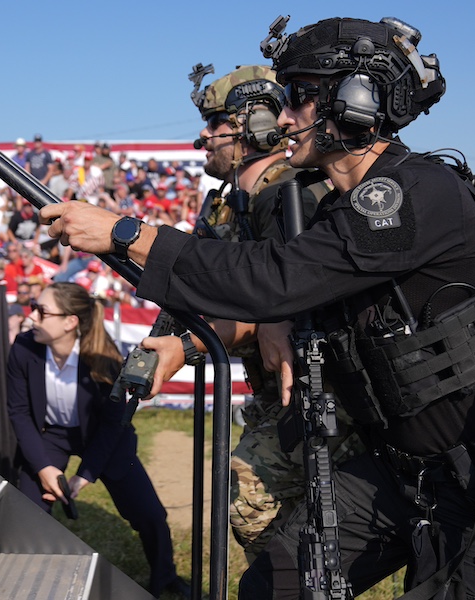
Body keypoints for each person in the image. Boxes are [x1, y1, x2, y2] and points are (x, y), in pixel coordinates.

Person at [44, 16, 475, 598]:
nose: (285, 117)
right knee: (274, 586)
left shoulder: (412, 195)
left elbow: (276, 279)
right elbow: (284, 288)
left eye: (300, 98)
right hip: (396, 472)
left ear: (358, 100)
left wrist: (127, 233)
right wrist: (211, 334)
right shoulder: (336, 211)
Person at [132, 64, 362, 563]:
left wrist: (183, 348)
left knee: (250, 498)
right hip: (276, 387)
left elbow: (280, 298)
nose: (204, 136)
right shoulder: (229, 201)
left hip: (326, 387)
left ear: (253, 126)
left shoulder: (289, 193)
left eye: (215, 125)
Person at [5, 282, 187, 597]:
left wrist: (85, 475)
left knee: (150, 514)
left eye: (41, 311)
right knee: (29, 510)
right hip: (52, 436)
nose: (31, 316)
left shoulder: (105, 358)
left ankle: (165, 578)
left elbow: (113, 425)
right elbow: (19, 413)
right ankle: (35, 583)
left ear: (70, 322)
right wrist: (44, 468)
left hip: (104, 439)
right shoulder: (23, 347)